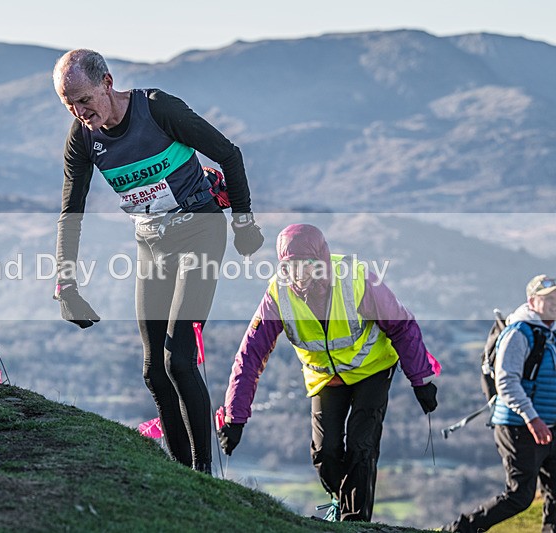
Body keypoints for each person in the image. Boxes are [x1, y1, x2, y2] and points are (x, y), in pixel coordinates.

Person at [51, 49, 264, 473]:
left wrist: (243, 223)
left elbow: (229, 154)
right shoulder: (82, 138)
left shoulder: (158, 109)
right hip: (153, 246)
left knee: (179, 361)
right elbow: (70, 210)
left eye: (84, 99)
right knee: (154, 371)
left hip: (200, 230)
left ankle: (205, 475)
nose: (79, 111)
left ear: (107, 83)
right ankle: (182, 474)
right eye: (68, 104)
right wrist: (66, 286)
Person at [217, 223, 438, 521]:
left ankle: (354, 522)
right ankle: (340, 501)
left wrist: (420, 380)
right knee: (325, 453)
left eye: (305, 265)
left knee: (362, 445)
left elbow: (401, 324)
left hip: (372, 369)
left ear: (320, 261)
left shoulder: (355, 278)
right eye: (289, 266)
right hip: (326, 378)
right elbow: (250, 355)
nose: (298, 274)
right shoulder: (278, 295)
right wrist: (235, 417)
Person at [443, 275, 556, 533]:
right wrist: (532, 418)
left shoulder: (551, 333)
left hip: (549, 425)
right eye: (548, 298)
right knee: (519, 496)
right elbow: (506, 382)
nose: (555, 303)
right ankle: (459, 530)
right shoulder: (518, 333)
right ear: (532, 301)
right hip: (519, 426)